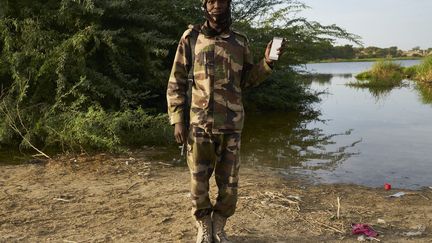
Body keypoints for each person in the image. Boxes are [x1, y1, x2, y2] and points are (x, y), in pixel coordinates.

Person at [166, 0, 284, 242]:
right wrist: (177, 118)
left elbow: (248, 80)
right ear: (204, 5)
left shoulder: (240, 42)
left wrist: (268, 63)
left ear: (229, 4)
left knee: (229, 186)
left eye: (221, 0)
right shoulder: (190, 38)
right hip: (199, 125)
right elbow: (176, 79)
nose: (216, 5)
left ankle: (219, 225)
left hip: (231, 126)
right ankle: (203, 227)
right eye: (211, 1)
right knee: (198, 185)